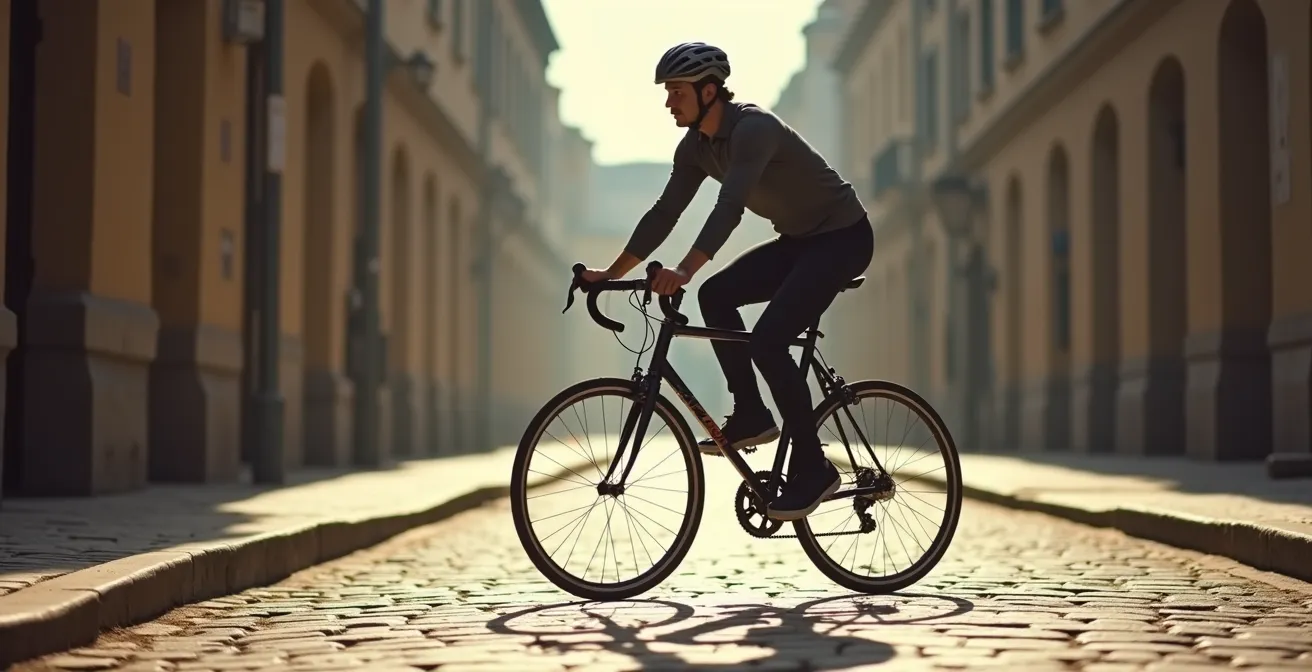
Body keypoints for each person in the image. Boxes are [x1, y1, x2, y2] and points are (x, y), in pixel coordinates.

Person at [579, 42, 874, 522]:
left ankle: (814, 468)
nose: (668, 102)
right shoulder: (695, 147)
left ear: (709, 90)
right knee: (715, 295)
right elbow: (664, 213)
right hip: (800, 241)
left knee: (769, 341)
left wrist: (683, 270)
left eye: (676, 91)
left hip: (843, 238)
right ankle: (752, 414)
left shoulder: (754, 129)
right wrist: (611, 273)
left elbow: (729, 208)